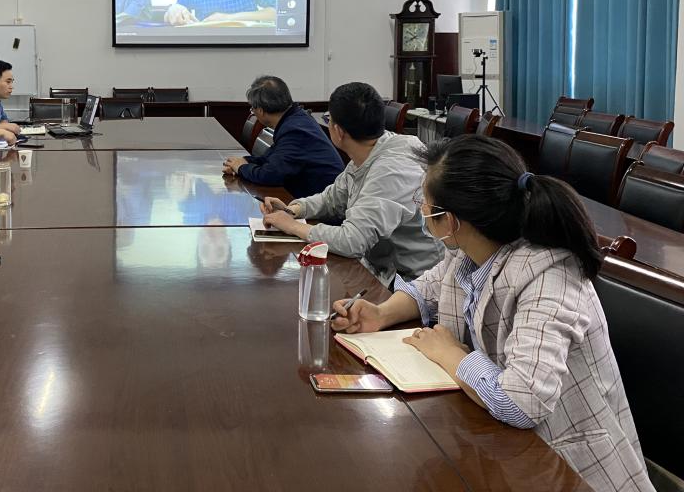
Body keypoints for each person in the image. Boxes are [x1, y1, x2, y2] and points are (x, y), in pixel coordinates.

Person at [331, 135, 652, 492]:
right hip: (501, 445)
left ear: (450, 221)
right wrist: (380, 313)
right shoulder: (471, 248)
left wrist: (451, 355)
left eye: (424, 203)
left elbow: (522, 402)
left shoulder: (549, 275)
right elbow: (428, 289)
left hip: (568, 464)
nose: (420, 210)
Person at [260, 82, 444, 287]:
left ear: (338, 131)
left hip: (413, 284)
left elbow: (352, 241)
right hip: (381, 270)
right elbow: (332, 198)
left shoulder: (391, 170)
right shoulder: (369, 152)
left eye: (328, 119)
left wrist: (293, 227)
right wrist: (293, 210)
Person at [222, 75, 343, 198]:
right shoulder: (295, 118)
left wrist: (241, 167)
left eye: (253, 109)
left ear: (261, 110)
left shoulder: (294, 131)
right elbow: (270, 160)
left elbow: (269, 175)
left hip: (327, 203)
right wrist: (243, 163)